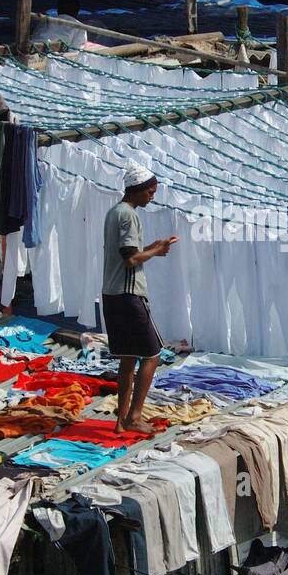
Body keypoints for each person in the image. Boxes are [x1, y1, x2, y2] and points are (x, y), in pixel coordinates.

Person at [102, 165, 177, 432]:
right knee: (152, 353)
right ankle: (134, 417)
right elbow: (130, 259)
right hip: (128, 295)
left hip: (112, 294)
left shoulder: (114, 212)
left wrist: (152, 248)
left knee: (128, 356)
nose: (152, 197)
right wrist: (156, 252)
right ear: (138, 190)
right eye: (150, 192)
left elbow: (127, 252)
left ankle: (121, 420)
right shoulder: (128, 216)